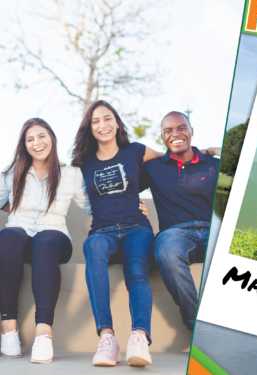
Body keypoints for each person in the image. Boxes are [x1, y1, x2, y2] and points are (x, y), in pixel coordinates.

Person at [0, 118, 147, 363]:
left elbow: (95, 205)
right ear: (24, 145)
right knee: (7, 236)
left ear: (52, 138)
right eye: (30, 139)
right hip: (18, 234)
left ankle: (43, 333)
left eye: (42, 136)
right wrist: (16, 208)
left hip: (54, 237)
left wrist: (132, 207)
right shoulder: (12, 172)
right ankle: (8, 329)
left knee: (45, 243)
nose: (37, 143)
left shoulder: (70, 174)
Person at [71, 100, 164, 367]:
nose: (103, 125)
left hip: (137, 228)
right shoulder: (82, 163)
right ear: (89, 128)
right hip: (102, 231)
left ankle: (139, 337)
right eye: (96, 121)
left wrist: (205, 151)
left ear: (117, 123)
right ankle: (107, 338)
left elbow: (171, 159)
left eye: (107, 118)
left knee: (136, 269)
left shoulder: (135, 151)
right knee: (94, 250)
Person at [139, 111, 220, 331]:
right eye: (168, 130)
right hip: (176, 234)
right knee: (166, 251)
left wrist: (214, 151)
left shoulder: (214, 164)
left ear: (191, 131)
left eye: (182, 128)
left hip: (214, 229)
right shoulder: (153, 168)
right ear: (162, 137)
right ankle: (198, 326)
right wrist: (134, 206)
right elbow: (122, 185)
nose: (175, 134)